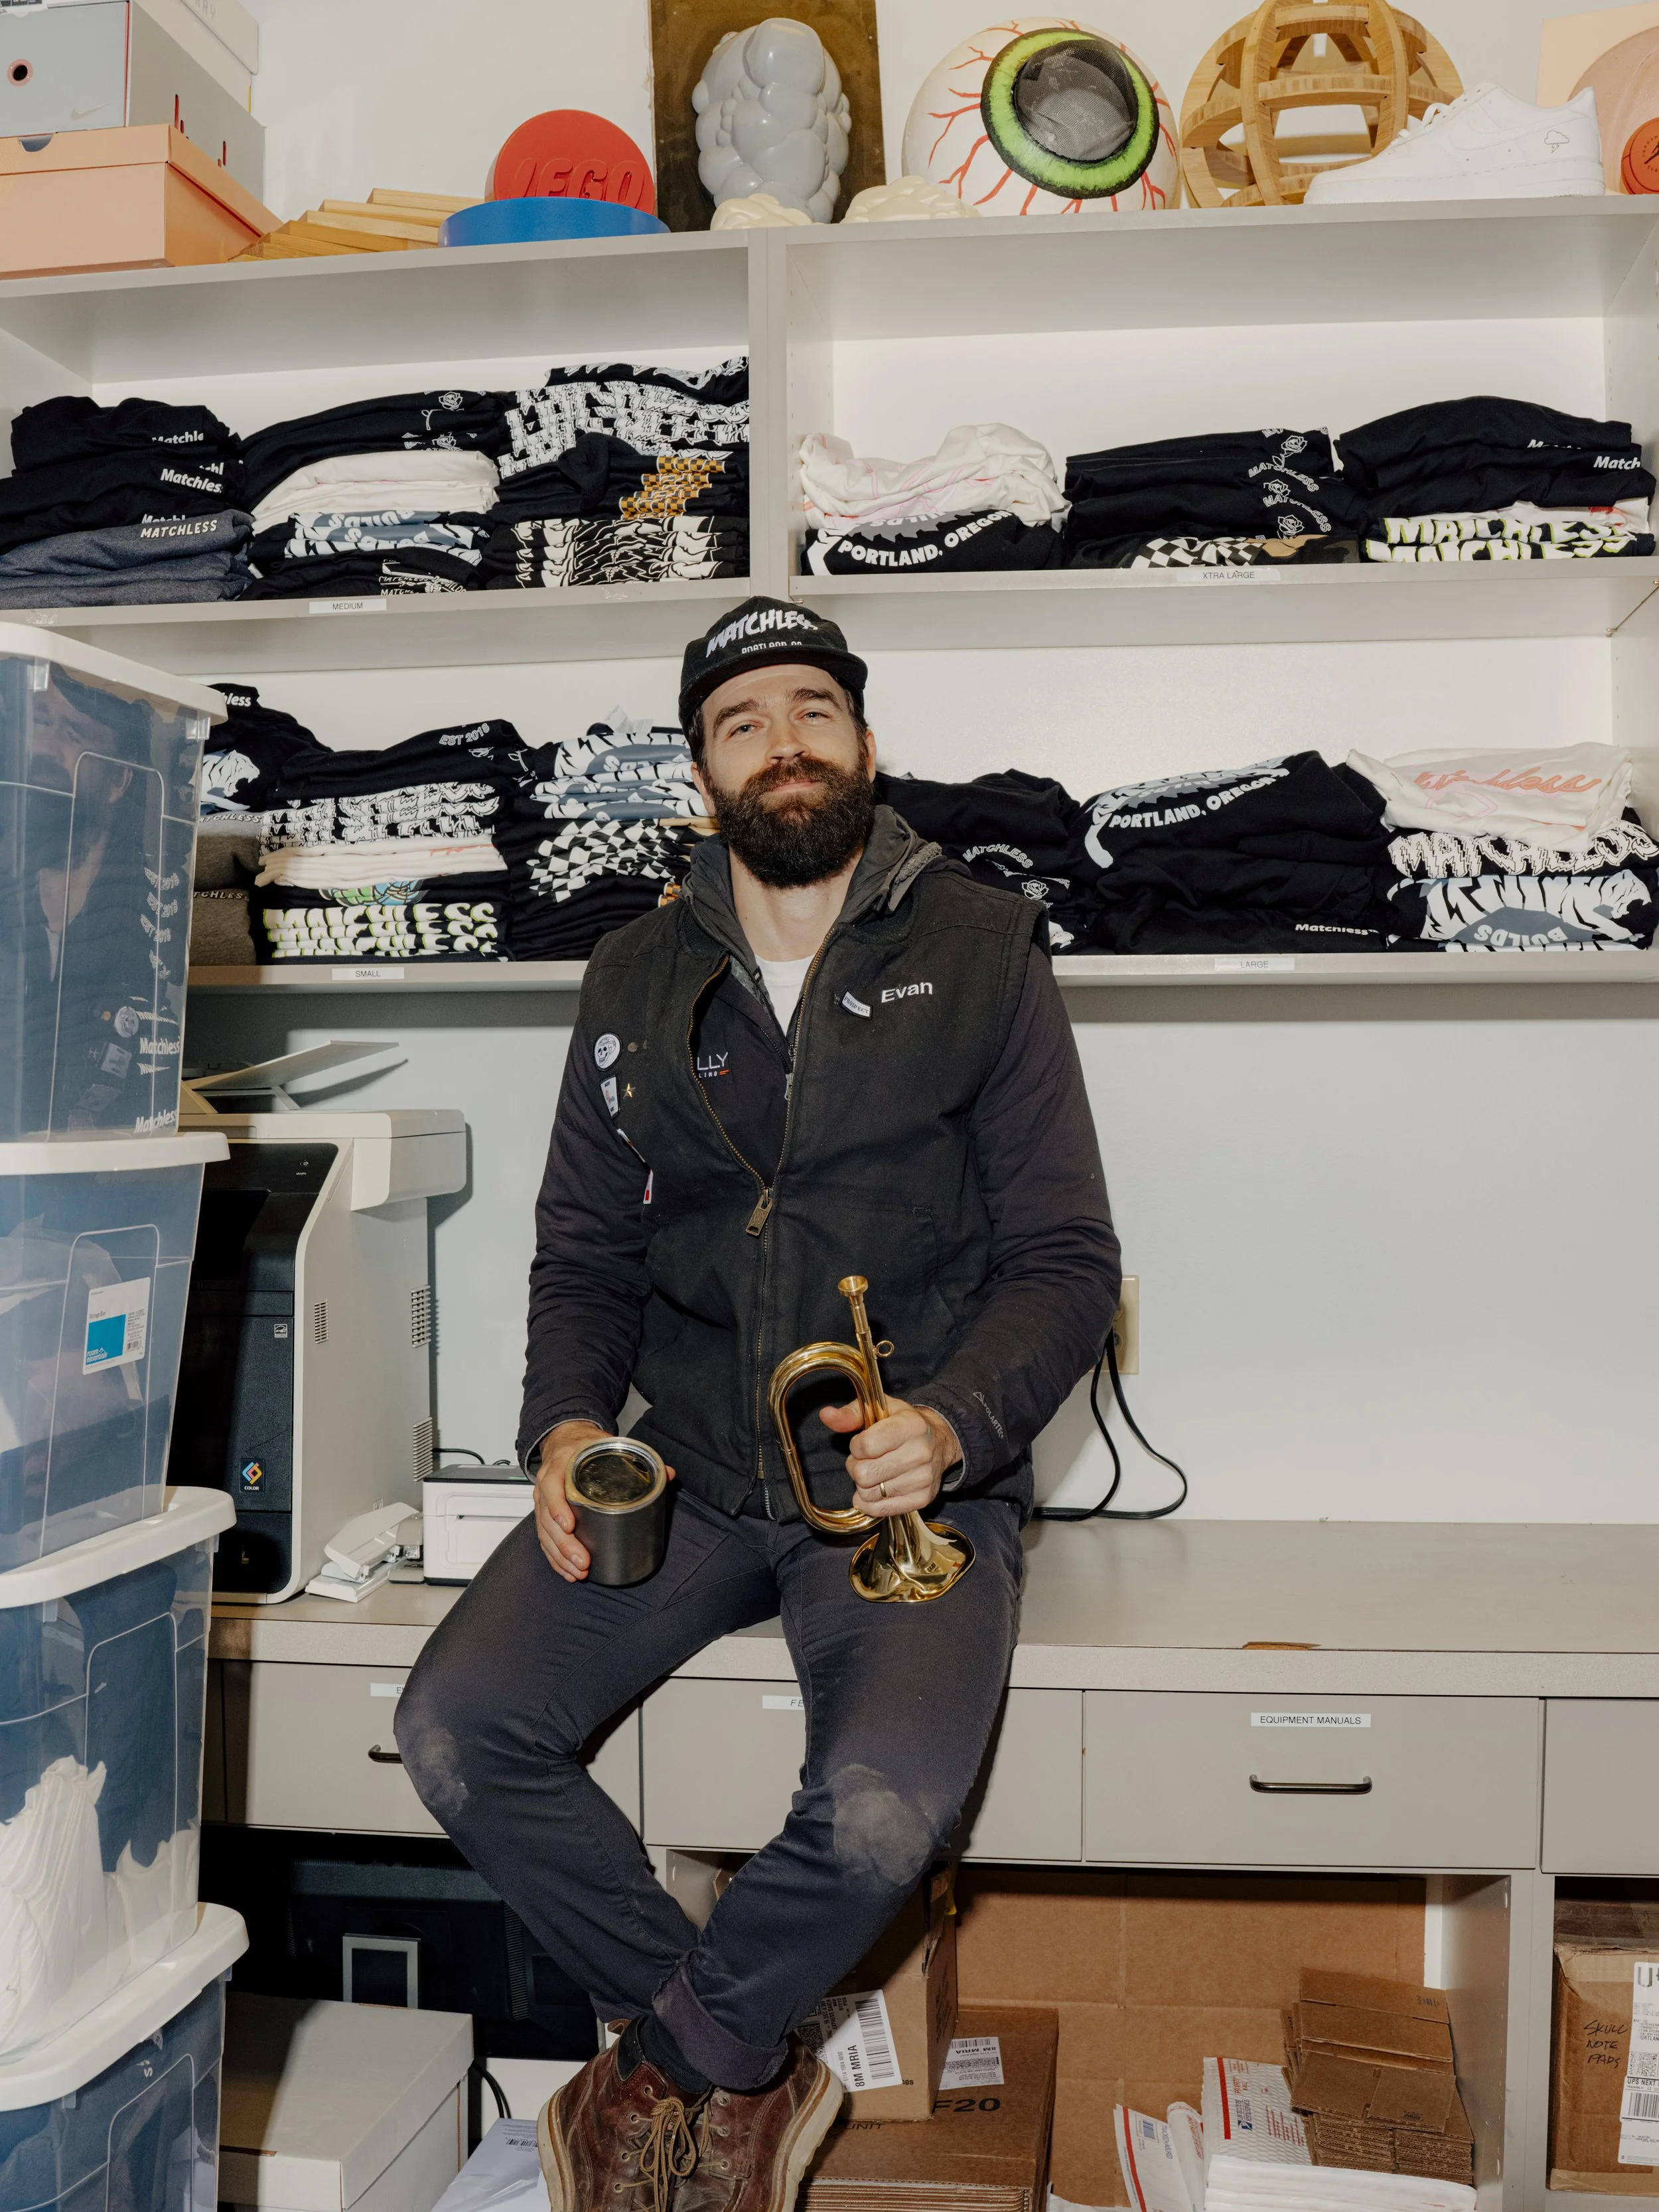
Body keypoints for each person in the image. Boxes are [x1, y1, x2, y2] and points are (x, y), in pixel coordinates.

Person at [396, 597, 1120, 2212]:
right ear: (702, 776)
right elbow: (582, 1251)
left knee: (879, 1815)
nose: (781, 742)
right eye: (740, 722)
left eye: (812, 710)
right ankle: (742, 2060)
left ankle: (664, 2071)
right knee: (453, 1729)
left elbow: (1067, 1261)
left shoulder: (984, 947)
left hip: (903, 1485)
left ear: (865, 745)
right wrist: (562, 1430)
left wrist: (952, 1423)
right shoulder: (630, 973)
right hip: (693, 1473)